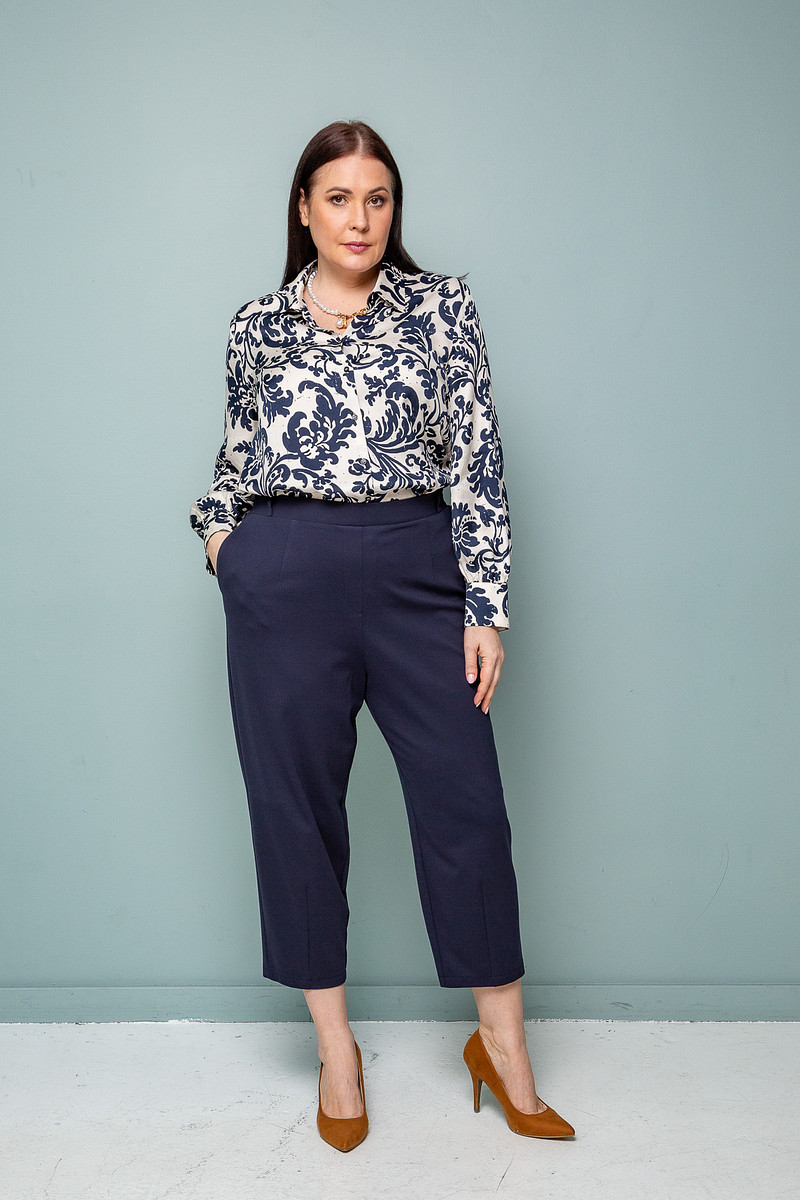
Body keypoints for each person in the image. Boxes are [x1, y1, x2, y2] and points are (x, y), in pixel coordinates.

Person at [189, 119, 574, 1151]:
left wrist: (485, 604)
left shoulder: (441, 307)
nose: (359, 219)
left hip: (416, 569)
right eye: (338, 198)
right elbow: (232, 460)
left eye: (377, 198)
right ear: (303, 209)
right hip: (284, 574)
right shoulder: (256, 325)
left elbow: (477, 458)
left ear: (393, 208)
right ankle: (337, 1054)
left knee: (466, 806)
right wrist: (228, 548)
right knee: (295, 812)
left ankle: (503, 1048)